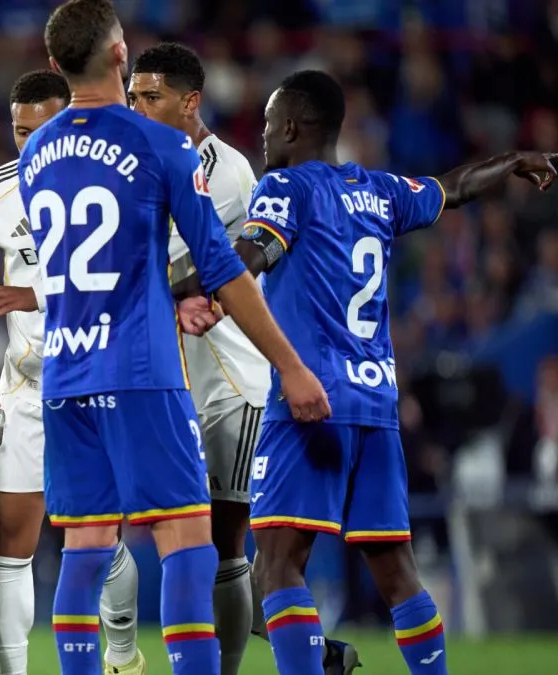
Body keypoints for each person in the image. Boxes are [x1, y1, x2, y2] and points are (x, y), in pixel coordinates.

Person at [175, 69, 555, 675]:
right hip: (376, 408)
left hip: (305, 403)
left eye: (271, 125)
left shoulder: (285, 189)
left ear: (293, 127)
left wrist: (177, 287)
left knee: (277, 566)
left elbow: (247, 257)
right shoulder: (379, 190)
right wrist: (513, 161)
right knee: (397, 573)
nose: (266, 136)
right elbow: (452, 188)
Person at [21, 2, 329, 674]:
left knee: (84, 549)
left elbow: (93, 268)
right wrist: (292, 365)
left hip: (66, 374)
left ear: (53, 65)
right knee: (190, 541)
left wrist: (160, 293)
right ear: (119, 54)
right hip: (142, 371)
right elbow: (220, 264)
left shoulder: (37, 150)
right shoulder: (162, 145)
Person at [126, 43, 357, 675]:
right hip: (170, 375)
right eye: (131, 96)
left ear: (190, 101)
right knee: (152, 531)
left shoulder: (221, 171)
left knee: (224, 542)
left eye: (151, 96)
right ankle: (314, 650)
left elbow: (198, 272)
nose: (136, 107)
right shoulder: (143, 162)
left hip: (231, 376)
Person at [0, 69, 144, 675]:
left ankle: (121, 647)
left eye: (39, 127)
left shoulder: (117, 177)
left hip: (102, 379)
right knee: (6, 543)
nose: (29, 143)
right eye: (19, 132)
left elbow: (135, 278)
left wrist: (34, 296)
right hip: (28, 386)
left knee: (97, 544)